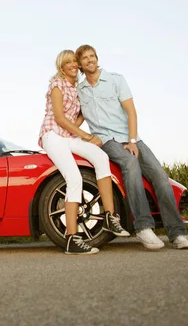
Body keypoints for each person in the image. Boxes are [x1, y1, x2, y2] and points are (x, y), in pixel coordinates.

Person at [75, 44, 188, 250]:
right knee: (130, 164)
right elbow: (77, 116)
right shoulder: (80, 90)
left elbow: (131, 111)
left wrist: (132, 141)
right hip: (106, 140)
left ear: (97, 58)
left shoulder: (116, 80)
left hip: (131, 138)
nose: (89, 60)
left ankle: (177, 234)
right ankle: (143, 228)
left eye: (92, 56)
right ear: (80, 64)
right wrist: (63, 134)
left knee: (160, 177)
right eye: (85, 58)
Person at [38, 50, 130, 255]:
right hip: (53, 134)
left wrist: (81, 133)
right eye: (67, 62)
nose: (72, 64)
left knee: (101, 157)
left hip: (68, 137)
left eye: (74, 61)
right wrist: (87, 137)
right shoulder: (57, 85)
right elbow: (61, 119)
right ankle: (72, 238)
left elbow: (77, 118)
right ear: (61, 67)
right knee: (74, 177)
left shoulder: (76, 88)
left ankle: (109, 217)